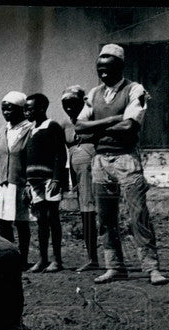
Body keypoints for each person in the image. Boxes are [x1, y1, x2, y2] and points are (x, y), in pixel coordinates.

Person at [74, 44, 168, 285]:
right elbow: (79, 127)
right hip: (100, 161)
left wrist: (98, 126)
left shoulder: (134, 89)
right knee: (105, 218)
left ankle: (152, 268)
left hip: (126, 159)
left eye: (108, 69)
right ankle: (114, 266)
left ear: (120, 66)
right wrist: (115, 118)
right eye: (99, 69)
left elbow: (129, 126)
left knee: (138, 214)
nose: (103, 74)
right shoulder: (93, 94)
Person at [24, 93, 67, 272]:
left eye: (30, 108)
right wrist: (27, 183)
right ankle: (42, 259)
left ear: (41, 108)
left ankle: (57, 260)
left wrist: (57, 178)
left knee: (53, 218)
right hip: (35, 182)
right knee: (41, 220)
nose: (26, 112)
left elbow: (60, 153)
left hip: (50, 180)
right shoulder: (31, 130)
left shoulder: (52, 126)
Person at [0, 91, 34, 264]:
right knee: (2, 220)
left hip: (20, 182)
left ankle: (23, 258)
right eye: (3, 109)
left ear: (21, 110)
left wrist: (30, 182)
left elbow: (31, 158)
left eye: (10, 109)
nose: (6, 113)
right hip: (4, 182)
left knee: (21, 221)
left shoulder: (29, 129)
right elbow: (3, 158)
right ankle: (10, 256)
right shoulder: (3, 129)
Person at [60, 86, 99, 272]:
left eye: (72, 103)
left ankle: (96, 258)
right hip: (75, 170)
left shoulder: (92, 117)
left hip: (91, 167)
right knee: (84, 211)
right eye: (64, 104)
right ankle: (92, 257)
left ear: (82, 101)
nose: (68, 108)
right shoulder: (66, 124)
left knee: (90, 210)